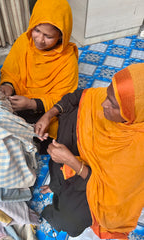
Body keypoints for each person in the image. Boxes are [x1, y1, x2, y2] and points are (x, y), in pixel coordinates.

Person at [34, 63, 144, 239]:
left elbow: (111, 194)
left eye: (113, 104)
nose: (103, 103)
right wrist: (48, 115)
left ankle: (63, 189)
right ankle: (57, 185)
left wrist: (73, 163)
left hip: (95, 184)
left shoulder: (138, 150)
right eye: (107, 94)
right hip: (80, 163)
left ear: (134, 111)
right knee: (73, 114)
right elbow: (79, 96)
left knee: (69, 220)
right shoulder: (116, 97)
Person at [0, 0, 78, 140]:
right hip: (18, 98)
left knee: (57, 134)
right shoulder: (24, 41)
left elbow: (64, 96)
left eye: (48, 36)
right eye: (37, 30)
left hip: (44, 107)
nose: (40, 40)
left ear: (61, 35)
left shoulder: (67, 58)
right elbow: (11, 70)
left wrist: (31, 104)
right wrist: (8, 85)